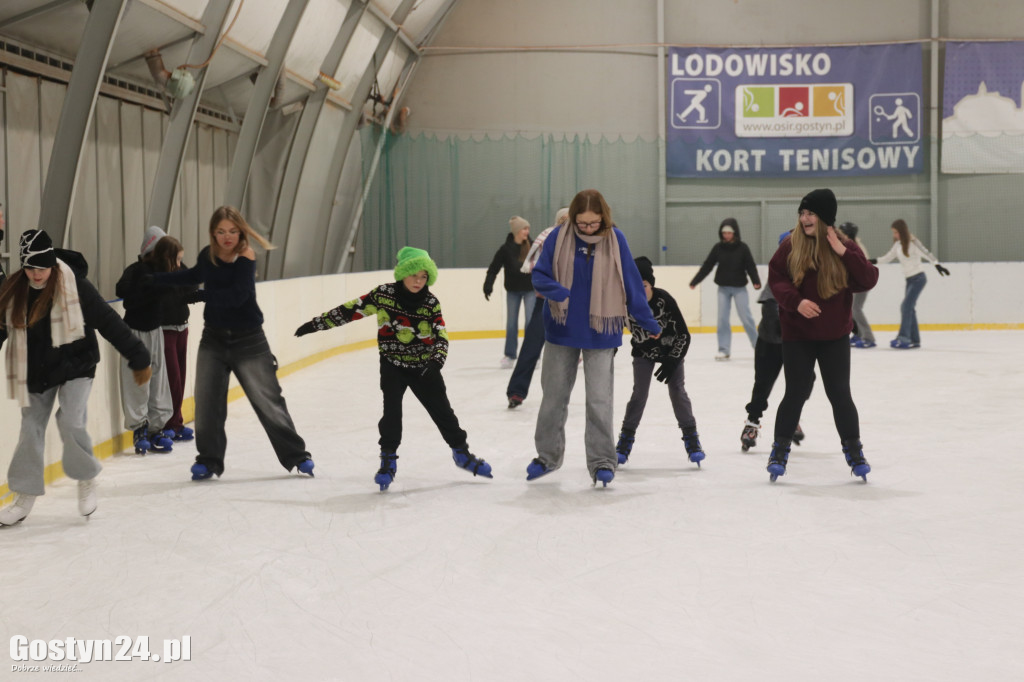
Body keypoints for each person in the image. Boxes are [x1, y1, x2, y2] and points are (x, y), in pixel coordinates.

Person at [295, 246, 492, 491]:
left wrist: (435, 362)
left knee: (444, 413)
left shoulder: (431, 303)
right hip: (392, 365)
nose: (418, 281)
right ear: (402, 274)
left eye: (423, 277)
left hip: (424, 367)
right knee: (391, 414)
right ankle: (388, 460)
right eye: (413, 275)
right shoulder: (383, 295)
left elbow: (441, 334)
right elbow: (350, 310)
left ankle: (461, 454)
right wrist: (316, 324)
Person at [150, 206, 314, 481]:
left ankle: (297, 456)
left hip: (248, 340)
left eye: (233, 231)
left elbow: (240, 295)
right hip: (213, 339)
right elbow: (191, 277)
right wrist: (156, 280)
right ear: (213, 233)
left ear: (241, 231)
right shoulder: (208, 255)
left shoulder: (245, 257)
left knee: (268, 400)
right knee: (207, 402)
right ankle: (208, 460)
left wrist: (205, 296)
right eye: (221, 232)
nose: (227, 237)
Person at [0, 230, 151, 526]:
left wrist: (138, 355)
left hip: (76, 364)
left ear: (52, 264)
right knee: (30, 429)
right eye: (30, 267)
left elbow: (107, 320)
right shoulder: (14, 290)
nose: (36, 273)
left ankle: (86, 479)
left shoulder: (75, 285)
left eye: (42, 267)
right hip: (38, 369)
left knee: (71, 420)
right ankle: (24, 495)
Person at [526, 189, 660, 487]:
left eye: (593, 223)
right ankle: (547, 457)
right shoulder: (557, 237)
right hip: (562, 330)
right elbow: (539, 275)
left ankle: (601, 461)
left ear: (603, 218)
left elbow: (632, 283)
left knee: (599, 400)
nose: (587, 228)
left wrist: (647, 320)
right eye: (582, 223)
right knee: (553, 398)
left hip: (602, 332)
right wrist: (559, 293)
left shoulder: (616, 239)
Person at [766, 189, 879, 482]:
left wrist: (845, 252)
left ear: (825, 218)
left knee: (840, 394)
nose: (804, 219)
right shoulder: (791, 245)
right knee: (795, 393)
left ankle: (854, 452)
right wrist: (796, 302)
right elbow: (776, 279)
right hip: (798, 334)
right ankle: (779, 451)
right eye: (802, 213)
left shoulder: (843, 246)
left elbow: (867, 279)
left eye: (810, 213)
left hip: (834, 336)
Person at [615, 256, 705, 468]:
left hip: (669, 352)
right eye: (634, 286)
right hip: (642, 353)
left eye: (643, 285)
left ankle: (692, 439)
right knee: (639, 394)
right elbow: (614, 329)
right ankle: (625, 441)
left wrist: (673, 360)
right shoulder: (625, 303)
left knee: (677, 391)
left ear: (651, 284)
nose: (639, 291)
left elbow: (684, 334)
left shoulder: (664, 300)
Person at [740, 232, 810, 453]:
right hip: (770, 342)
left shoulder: (807, 273)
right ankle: (751, 423)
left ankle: (791, 417)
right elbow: (771, 312)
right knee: (763, 385)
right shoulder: (777, 275)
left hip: (796, 342)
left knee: (806, 381)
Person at [115, 226, 175, 454]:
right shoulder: (136, 270)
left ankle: (156, 427)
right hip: (134, 332)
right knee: (137, 381)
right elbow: (121, 290)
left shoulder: (164, 272)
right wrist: (142, 288)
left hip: (156, 330)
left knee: (159, 380)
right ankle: (139, 427)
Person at [506, 207, 568, 409]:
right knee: (532, 345)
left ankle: (565, 394)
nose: (566, 223)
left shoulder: (580, 241)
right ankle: (516, 391)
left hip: (573, 303)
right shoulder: (546, 239)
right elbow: (537, 269)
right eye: (563, 219)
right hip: (546, 302)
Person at [689, 218, 761, 360]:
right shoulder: (718, 248)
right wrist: (695, 281)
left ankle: (758, 346)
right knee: (722, 318)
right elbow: (708, 265)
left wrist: (756, 281)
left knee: (746, 318)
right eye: (724, 233)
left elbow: (750, 265)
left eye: (729, 232)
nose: (726, 235)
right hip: (723, 288)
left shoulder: (743, 248)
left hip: (739, 288)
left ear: (735, 233)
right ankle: (724, 349)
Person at [873, 219, 950, 349]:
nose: (894, 235)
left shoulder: (913, 243)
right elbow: (886, 258)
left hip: (918, 279)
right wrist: (869, 261)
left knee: (906, 306)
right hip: (909, 280)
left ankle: (904, 338)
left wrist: (938, 266)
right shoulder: (897, 245)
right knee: (910, 308)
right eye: (893, 232)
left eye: (896, 232)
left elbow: (927, 253)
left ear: (902, 231)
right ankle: (915, 339)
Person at [153, 235, 195, 441]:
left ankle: (177, 421)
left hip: (182, 329)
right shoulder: (157, 276)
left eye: (181, 259)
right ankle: (169, 422)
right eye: (177, 259)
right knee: (172, 379)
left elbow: (192, 284)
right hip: (165, 331)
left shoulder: (178, 272)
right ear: (167, 258)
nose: (180, 264)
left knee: (181, 375)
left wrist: (179, 268)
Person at [484, 216, 535, 368]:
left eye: (528, 229)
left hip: (530, 290)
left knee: (530, 322)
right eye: (524, 229)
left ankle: (531, 354)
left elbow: (542, 265)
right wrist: (488, 285)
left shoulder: (532, 246)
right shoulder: (505, 249)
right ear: (517, 231)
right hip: (513, 291)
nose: (527, 231)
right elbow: (493, 268)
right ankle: (510, 355)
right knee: (511, 323)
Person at [838, 222, 876, 348]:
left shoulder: (854, 246)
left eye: (841, 232)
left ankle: (868, 337)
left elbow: (861, 266)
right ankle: (859, 334)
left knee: (856, 309)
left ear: (847, 234)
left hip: (861, 282)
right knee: (852, 309)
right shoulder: (850, 244)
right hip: (856, 282)